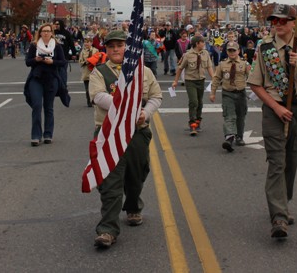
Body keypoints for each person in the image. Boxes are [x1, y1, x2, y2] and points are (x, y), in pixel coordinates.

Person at [248, 4, 297, 239]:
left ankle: (283, 203)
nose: (277, 25)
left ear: (293, 23)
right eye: (274, 21)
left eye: (282, 21)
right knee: (276, 163)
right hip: (274, 110)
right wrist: (277, 107)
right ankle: (278, 217)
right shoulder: (265, 49)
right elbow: (256, 84)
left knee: (291, 162)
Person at [91, 30, 163, 249]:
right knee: (110, 182)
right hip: (109, 134)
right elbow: (98, 96)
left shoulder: (144, 72)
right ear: (106, 49)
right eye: (111, 46)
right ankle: (107, 229)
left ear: (128, 47)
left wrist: (145, 112)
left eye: (120, 45)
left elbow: (156, 97)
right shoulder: (100, 72)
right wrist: (127, 108)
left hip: (136, 133)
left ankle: (133, 206)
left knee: (136, 175)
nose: (115, 49)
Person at [24, 22, 67, 146]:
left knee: (48, 107)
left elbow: (63, 62)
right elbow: (28, 62)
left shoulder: (57, 46)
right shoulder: (34, 46)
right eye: (44, 31)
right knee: (37, 105)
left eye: (48, 31)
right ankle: (36, 136)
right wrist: (36, 60)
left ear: (51, 33)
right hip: (36, 78)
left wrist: (52, 62)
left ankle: (48, 134)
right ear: (40, 33)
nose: (46, 33)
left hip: (51, 78)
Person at [210, 40, 251, 151]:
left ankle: (239, 137)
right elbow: (216, 79)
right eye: (229, 51)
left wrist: (256, 93)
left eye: (234, 50)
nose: (232, 53)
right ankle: (229, 138)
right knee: (229, 116)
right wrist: (212, 93)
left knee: (240, 117)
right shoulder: (222, 64)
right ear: (227, 52)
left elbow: (251, 78)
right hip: (228, 93)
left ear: (238, 51)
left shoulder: (244, 64)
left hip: (241, 94)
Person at [172, 34, 214, 136]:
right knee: (193, 101)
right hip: (190, 81)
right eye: (202, 42)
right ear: (197, 43)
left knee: (200, 102)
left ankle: (198, 120)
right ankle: (192, 124)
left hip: (201, 80)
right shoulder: (187, 55)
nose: (204, 44)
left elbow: (209, 67)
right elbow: (180, 68)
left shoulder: (205, 53)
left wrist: (214, 78)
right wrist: (175, 81)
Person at [78, 34, 100, 107]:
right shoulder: (82, 52)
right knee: (87, 89)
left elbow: (98, 60)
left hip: (94, 72)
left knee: (94, 88)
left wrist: (93, 61)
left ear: (91, 43)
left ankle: (94, 100)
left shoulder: (95, 50)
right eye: (85, 42)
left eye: (88, 42)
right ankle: (89, 101)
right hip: (86, 73)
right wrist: (86, 62)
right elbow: (80, 62)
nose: (86, 44)